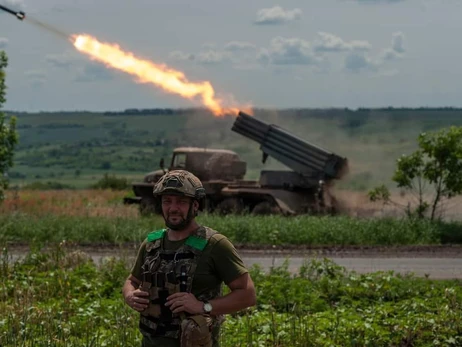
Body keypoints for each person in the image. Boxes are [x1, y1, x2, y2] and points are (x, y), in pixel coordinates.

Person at [122, 169, 257, 347]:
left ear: (195, 206)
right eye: (167, 201)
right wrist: (130, 295)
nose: (173, 208)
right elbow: (132, 280)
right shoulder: (152, 242)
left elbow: (247, 295)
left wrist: (203, 307)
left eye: (181, 202)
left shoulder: (215, 244)